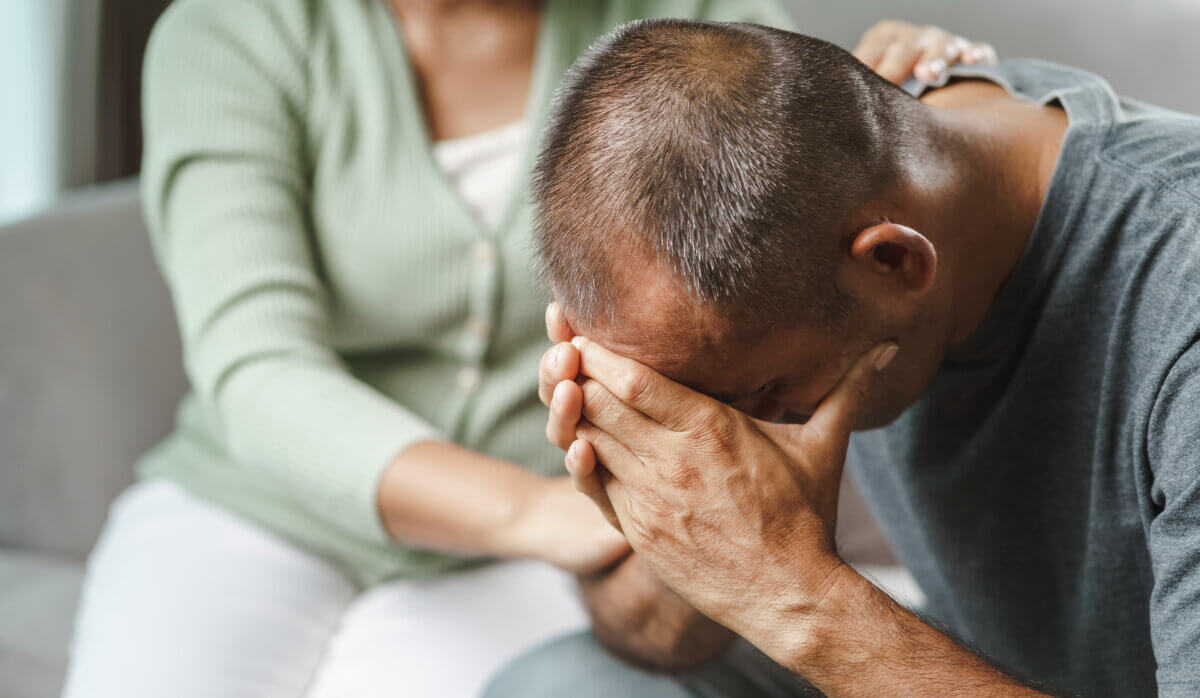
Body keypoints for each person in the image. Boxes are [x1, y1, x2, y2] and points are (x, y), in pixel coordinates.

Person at [60, 1, 994, 696]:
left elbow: (815, 151)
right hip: (266, 505)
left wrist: (901, 102)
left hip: (537, 556)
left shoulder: (688, 16)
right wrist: (544, 516)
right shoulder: (234, 30)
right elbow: (254, 367)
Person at [516, 17, 1200, 698]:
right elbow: (660, 634)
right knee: (557, 685)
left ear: (894, 261)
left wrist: (795, 593)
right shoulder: (831, 186)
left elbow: (790, 601)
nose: (739, 428)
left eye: (765, 390)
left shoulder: (1179, 297)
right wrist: (647, 503)